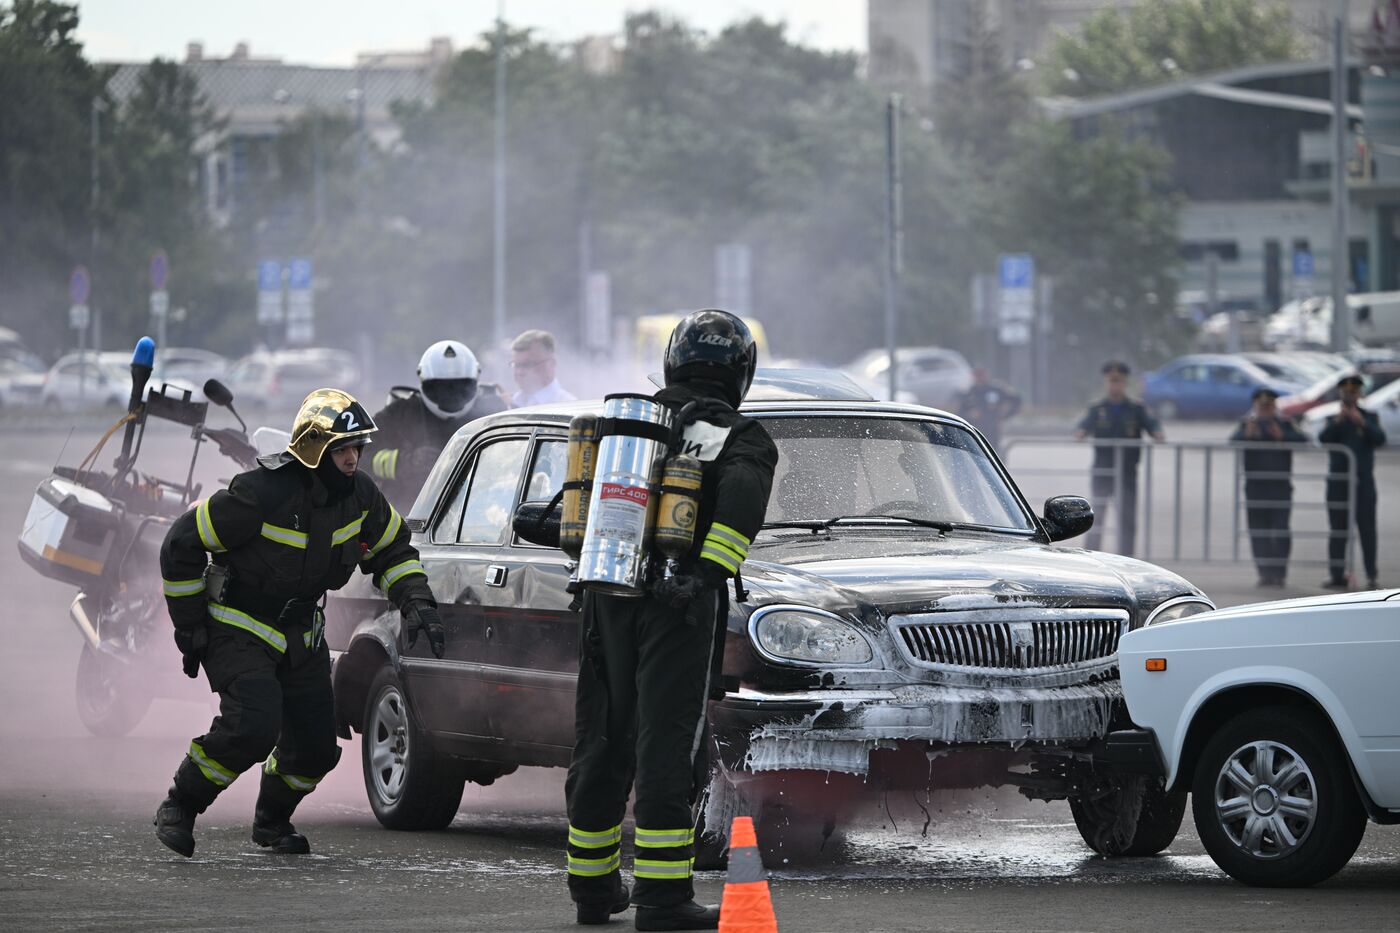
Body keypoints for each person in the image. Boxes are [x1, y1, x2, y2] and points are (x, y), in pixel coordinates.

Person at [153, 389, 446, 858]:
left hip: (301, 633)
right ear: (315, 450)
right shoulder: (259, 493)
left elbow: (393, 550)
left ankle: (271, 820)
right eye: (342, 450)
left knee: (314, 749)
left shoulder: (362, 496)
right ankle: (181, 804)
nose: (353, 459)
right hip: (239, 624)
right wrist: (189, 627)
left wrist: (417, 601)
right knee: (254, 724)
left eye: (357, 448)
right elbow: (180, 544)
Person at [565, 310, 777, 930]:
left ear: (672, 362)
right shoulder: (742, 436)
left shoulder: (635, 423)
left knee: (601, 734)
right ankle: (662, 899)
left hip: (608, 593)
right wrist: (704, 577)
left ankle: (593, 886)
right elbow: (737, 515)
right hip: (677, 607)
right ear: (741, 372)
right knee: (667, 742)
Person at [370, 340, 507, 508]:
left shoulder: (495, 412)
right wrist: (404, 462)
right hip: (410, 513)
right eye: (441, 387)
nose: (452, 394)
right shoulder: (400, 413)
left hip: (477, 511)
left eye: (460, 386)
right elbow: (359, 455)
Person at [1075, 360, 1165, 556]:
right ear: (1106, 383)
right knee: (1095, 517)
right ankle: (1091, 557)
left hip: (1126, 472)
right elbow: (1081, 428)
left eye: (1119, 382)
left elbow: (1154, 427)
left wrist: (1158, 433)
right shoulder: (1098, 408)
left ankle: (1126, 558)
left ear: (1125, 383)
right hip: (1103, 471)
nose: (1115, 386)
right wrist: (1080, 432)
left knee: (1127, 519)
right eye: (1111, 382)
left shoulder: (1136, 409)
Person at [1230, 387, 1307, 587]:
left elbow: (1304, 440)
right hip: (1255, 487)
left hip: (1280, 487)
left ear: (1274, 406)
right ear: (1256, 406)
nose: (1266, 410)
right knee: (1258, 531)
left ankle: (1280, 573)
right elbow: (1232, 441)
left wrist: (1282, 436)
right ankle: (1264, 573)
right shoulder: (1248, 423)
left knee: (1280, 530)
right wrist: (1246, 435)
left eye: (1269, 406)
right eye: (1262, 406)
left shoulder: (1285, 423)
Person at [1319, 373, 1387, 589]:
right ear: (1340, 394)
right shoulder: (1333, 419)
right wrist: (1339, 422)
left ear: (1359, 395)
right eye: (1346, 393)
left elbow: (1380, 439)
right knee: (1338, 530)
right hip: (1338, 483)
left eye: (1353, 392)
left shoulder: (1369, 417)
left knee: (1367, 529)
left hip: (1363, 482)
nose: (1350, 396)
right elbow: (1323, 438)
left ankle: (1371, 575)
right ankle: (1337, 574)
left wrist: (1362, 423)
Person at [955, 366, 1022, 449]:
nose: (980, 377)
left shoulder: (996, 390)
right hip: (975, 430)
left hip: (993, 430)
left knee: (993, 452)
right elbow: (960, 414)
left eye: (981, 374)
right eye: (977, 375)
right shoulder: (969, 393)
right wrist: (970, 415)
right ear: (973, 376)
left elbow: (1016, 400)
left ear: (986, 375)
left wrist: (1006, 415)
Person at [511, 329, 576, 407]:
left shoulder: (567, 406)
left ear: (551, 364)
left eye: (527, 364)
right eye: (516, 365)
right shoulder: (513, 402)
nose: (519, 372)